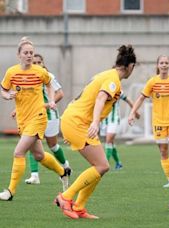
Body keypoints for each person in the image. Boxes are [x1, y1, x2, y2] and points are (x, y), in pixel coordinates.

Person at [54, 45, 136, 219]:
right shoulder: (113, 79)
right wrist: (95, 122)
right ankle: (65, 197)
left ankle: (79, 207)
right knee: (102, 165)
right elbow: (100, 98)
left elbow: (85, 98)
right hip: (78, 122)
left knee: (100, 167)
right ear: (130, 66)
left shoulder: (106, 75)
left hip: (75, 121)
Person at [0, 37, 70, 201]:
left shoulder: (40, 71)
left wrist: (51, 100)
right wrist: (7, 95)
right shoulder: (12, 72)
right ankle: (63, 172)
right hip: (22, 120)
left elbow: (50, 85)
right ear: (19, 55)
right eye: (26, 53)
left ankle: (10, 192)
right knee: (39, 155)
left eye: (31, 52)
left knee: (18, 152)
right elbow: (3, 90)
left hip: (38, 117)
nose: (29, 55)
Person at [128, 55, 169, 188]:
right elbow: (141, 98)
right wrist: (132, 112)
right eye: (161, 63)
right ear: (158, 65)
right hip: (158, 123)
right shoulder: (152, 82)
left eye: (166, 63)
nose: (164, 65)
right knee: (163, 151)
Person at [23, 53, 71, 186]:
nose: (37, 64)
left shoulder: (48, 76)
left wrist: (50, 103)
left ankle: (65, 166)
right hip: (34, 116)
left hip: (50, 116)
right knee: (31, 142)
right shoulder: (29, 77)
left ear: (43, 63)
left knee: (53, 146)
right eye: (35, 62)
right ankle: (34, 175)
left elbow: (60, 93)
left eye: (40, 62)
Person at [100, 91, 134, 170]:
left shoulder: (117, 90)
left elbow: (127, 99)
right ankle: (118, 163)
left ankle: (105, 165)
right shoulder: (100, 90)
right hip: (104, 120)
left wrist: (134, 111)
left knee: (108, 141)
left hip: (114, 120)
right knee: (110, 143)